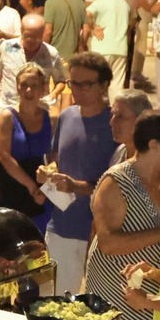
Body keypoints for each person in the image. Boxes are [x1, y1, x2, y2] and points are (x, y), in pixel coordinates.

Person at [86, 111, 160, 320]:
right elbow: (108, 243)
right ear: (154, 144)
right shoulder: (116, 182)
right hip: (116, 289)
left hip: (154, 293)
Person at [37, 53, 118, 288]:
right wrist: (48, 175)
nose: (78, 90)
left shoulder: (115, 125)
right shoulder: (67, 116)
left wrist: (76, 186)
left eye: (86, 84)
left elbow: (119, 187)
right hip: (61, 227)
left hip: (99, 234)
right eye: (74, 83)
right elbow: (58, 162)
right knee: (53, 300)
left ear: (104, 85)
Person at [0, 63, 55, 221]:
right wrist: (32, 187)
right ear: (17, 87)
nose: (28, 90)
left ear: (43, 89)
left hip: (41, 191)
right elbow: (5, 157)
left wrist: (46, 187)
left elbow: (54, 156)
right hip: (12, 188)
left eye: (34, 85)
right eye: (24, 85)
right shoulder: (7, 117)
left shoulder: (51, 119)